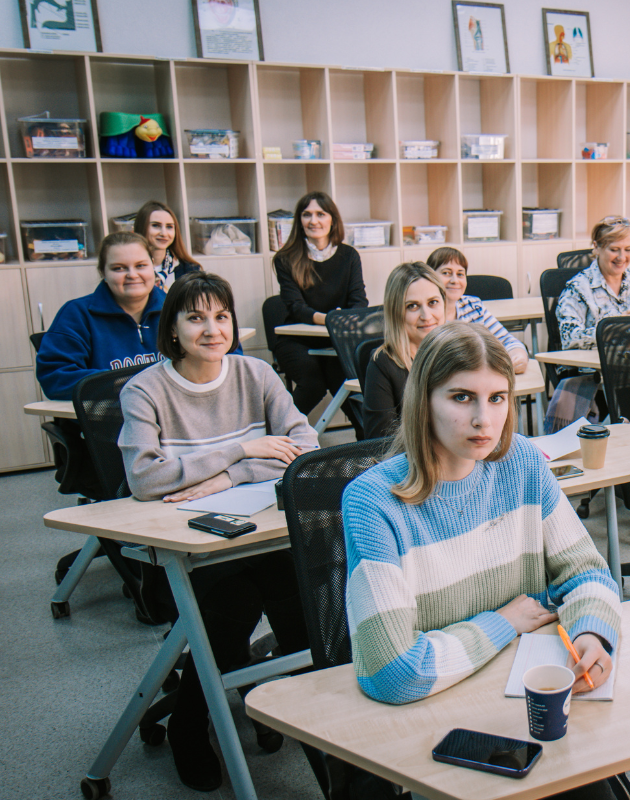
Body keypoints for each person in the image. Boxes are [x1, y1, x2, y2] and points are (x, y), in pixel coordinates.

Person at [342, 322, 623, 800]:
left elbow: (588, 572)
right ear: (422, 402)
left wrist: (591, 633)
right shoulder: (373, 503)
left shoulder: (523, 464)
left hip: (520, 702)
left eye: (497, 398)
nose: (484, 421)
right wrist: (505, 622)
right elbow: (395, 671)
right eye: (461, 398)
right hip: (434, 719)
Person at [118, 272, 315, 792]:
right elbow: (145, 478)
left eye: (221, 316)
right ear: (174, 329)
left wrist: (228, 474)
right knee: (235, 605)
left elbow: (305, 447)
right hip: (184, 553)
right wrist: (242, 448)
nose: (211, 328)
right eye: (195, 317)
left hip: (255, 534)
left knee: (301, 610)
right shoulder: (146, 389)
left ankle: (320, 729)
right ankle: (189, 725)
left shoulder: (257, 375)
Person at [548, 215, 630, 431]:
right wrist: (613, 330)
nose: (622, 257)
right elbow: (569, 338)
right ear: (596, 247)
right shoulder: (578, 288)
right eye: (614, 249)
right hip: (597, 375)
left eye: (628, 249)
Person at [271, 191, 368, 424]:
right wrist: (329, 319)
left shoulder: (349, 256)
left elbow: (359, 302)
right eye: (306, 215)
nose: (313, 221)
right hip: (297, 340)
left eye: (320, 214)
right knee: (313, 384)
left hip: (336, 340)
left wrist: (338, 323)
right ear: (299, 221)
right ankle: (278, 434)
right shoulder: (285, 258)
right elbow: (296, 307)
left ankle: (367, 447)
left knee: (350, 391)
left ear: (332, 219)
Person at [36, 231, 167, 401]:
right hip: (109, 422)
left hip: (170, 417)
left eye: (141, 265)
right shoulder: (77, 314)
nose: (132, 275)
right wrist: (123, 382)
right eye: (118, 268)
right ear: (103, 273)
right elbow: (55, 378)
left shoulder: (178, 309)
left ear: (153, 267)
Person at [362, 262, 448, 440]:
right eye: (412, 306)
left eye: (433, 303)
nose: (426, 315)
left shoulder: (458, 352)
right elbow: (380, 442)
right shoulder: (383, 364)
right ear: (396, 312)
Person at [426, 246, 529, 373]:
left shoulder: (473, 306)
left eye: (460, 274)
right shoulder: (426, 315)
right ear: (430, 277)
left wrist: (518, 357)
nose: (454, 280)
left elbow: (507, 341)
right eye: (446, 273)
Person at [133, 200, 201, 290]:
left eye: (169, 227)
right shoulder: (130, 270)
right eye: (156, 225)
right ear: (141, 228)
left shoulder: (190, 270)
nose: (164, 233)